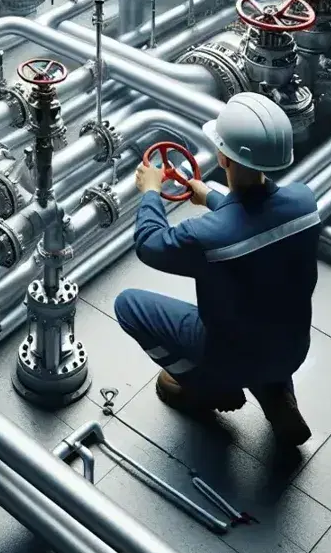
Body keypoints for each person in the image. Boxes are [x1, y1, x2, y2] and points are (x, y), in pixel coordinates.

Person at [117, 92, 320, 446]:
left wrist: (150, 191)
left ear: (223, 157)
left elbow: (149, 244)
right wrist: (210, 197)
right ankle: (276, 395)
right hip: (291, 349)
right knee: (267, 316)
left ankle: (205, 389)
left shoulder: (208, 237)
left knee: (128, 305)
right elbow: (257, 215)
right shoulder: (305, 202)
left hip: (230, 355)